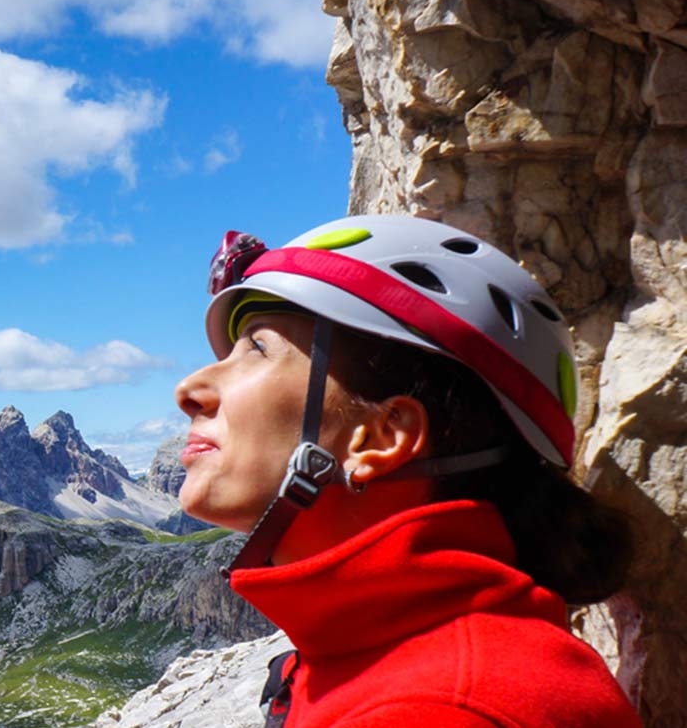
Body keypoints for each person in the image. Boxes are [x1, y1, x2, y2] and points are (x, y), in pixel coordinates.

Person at [174, 214, 641, 728]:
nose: (189, 389)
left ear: (382, 436)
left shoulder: (442, 708)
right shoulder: (381, 653)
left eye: (257, 350)